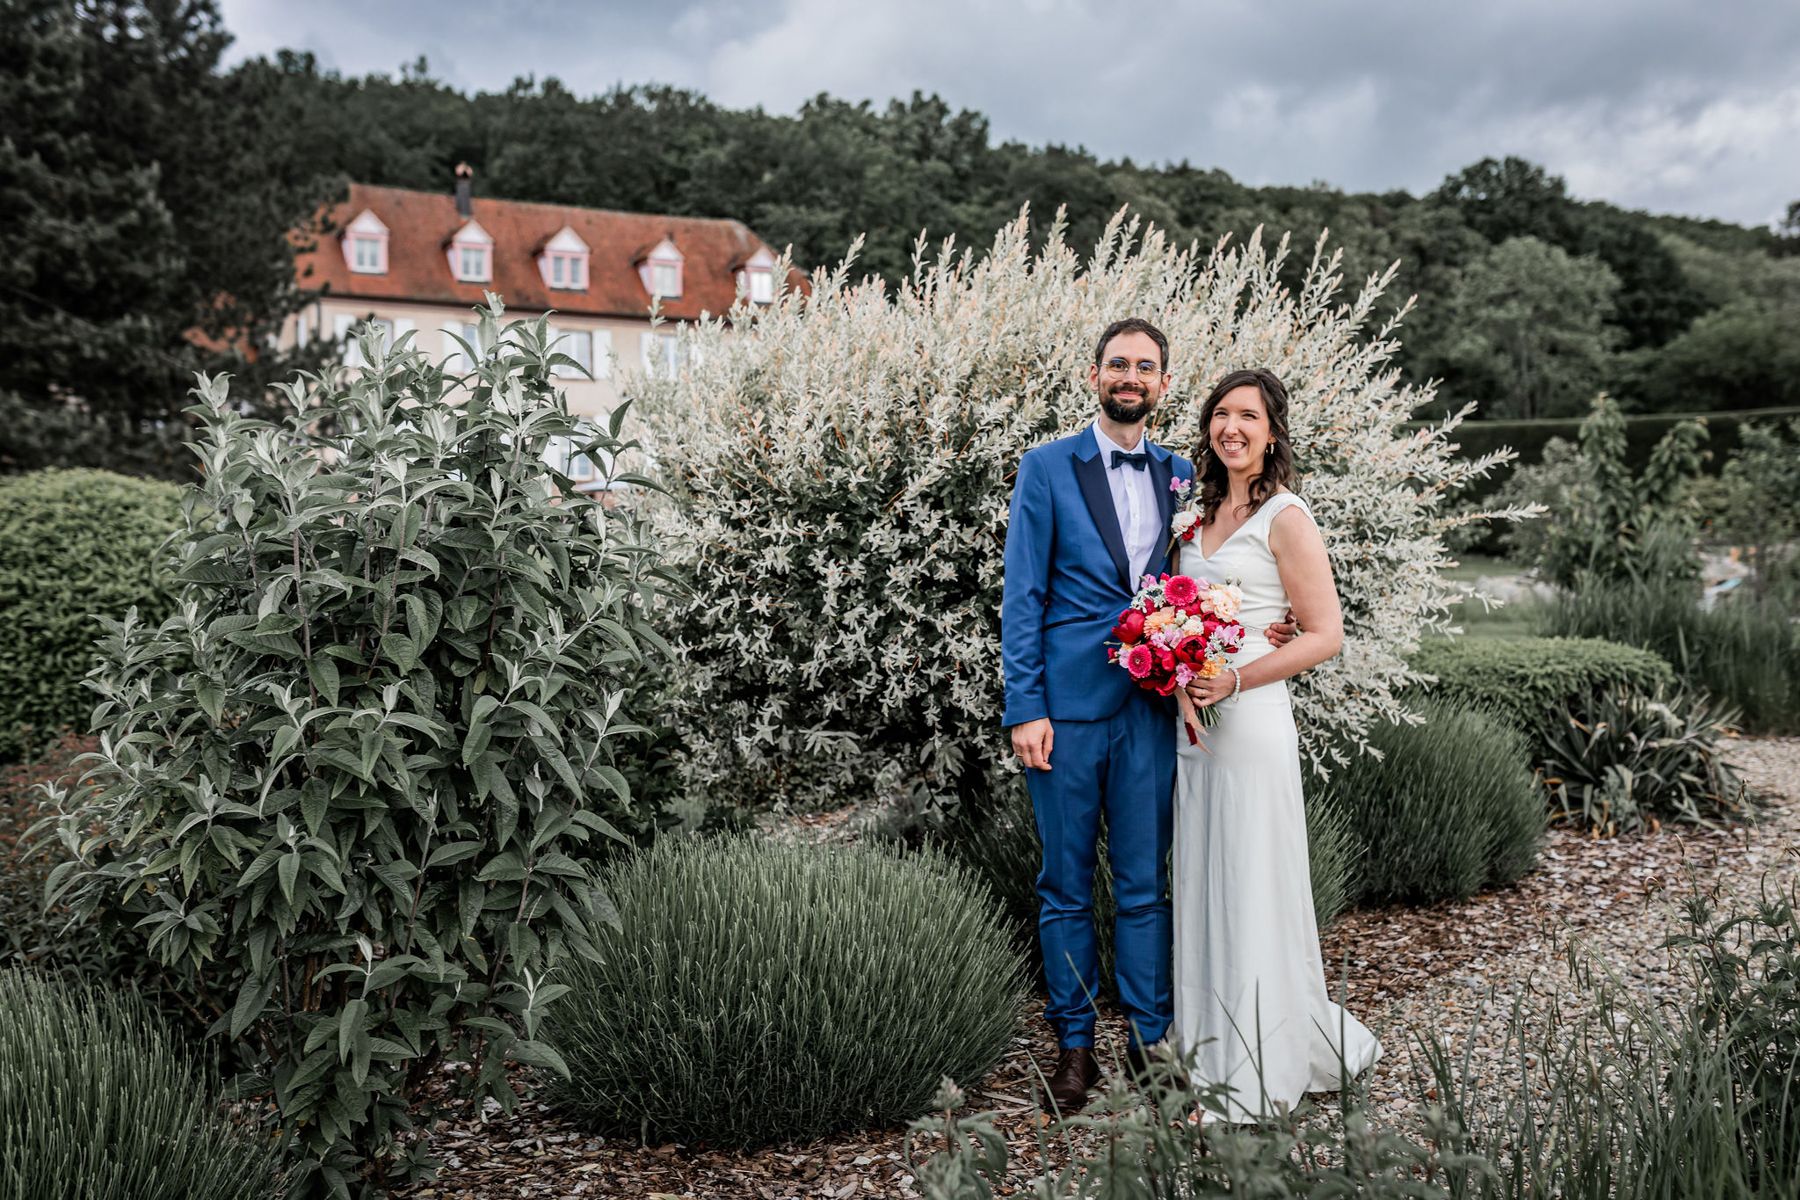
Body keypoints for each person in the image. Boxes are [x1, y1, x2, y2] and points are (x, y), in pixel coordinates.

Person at [1000, 320, 1298, 1113]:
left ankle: (1147, 1041)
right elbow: (1022, 596)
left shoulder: (1181, 479)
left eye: (1147, 367)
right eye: (1118, 364)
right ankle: (1073, 1049)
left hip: (1153, 710)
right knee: (1065, 885)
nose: (1131, 377)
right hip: (1062, 714)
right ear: (1095, 375)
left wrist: (1275, 627)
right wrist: (1024, 707)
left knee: (1143, 884)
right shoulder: (1045, 467)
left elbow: (1216, 583)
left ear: (1164, 386)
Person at [1171, 367, 1381, 1122]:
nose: (1232, 427)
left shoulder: (1286, 516)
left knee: (1250, 878)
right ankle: (1206, 1051)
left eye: (1248, 416)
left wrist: (1235, 682)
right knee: (1204, 878)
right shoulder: (1194, 520)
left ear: (1271, 431)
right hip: (1193, 724)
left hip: (1249, 719)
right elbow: (1177, 618)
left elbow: (1325, 635)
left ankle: (1254, 1073)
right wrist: (1175, 670)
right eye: (1221, 414)